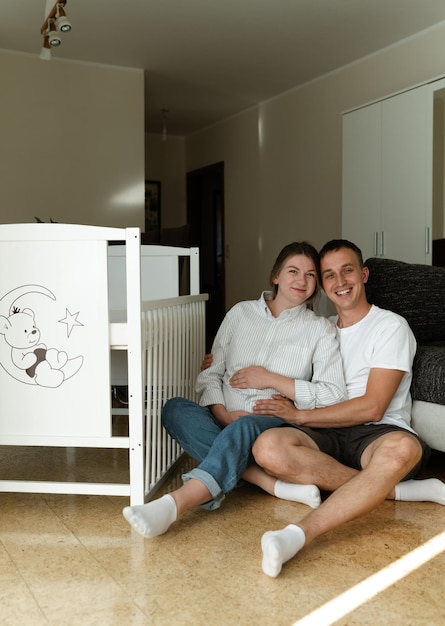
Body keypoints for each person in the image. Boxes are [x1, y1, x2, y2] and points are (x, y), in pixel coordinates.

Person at [122, 241, 348, 538]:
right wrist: (224, 414)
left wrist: (271, 379)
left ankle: (175, 504)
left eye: (310, 276)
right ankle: (265, 481)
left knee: (248, 426)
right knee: (175, 408)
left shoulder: (320, 329)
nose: (301, 281)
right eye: (293, 271)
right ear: (276, 276)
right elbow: (211, 374)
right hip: (223, 415)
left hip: (270, 425)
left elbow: (334, 393)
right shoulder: (240, 314)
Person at [253, 239, 445, 578]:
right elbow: (270, 356)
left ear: (364, 274)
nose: (340, 282)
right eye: (329, 275)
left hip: (378, 431)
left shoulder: (390, 326)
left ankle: (297, 535)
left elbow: (373, 407)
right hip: (325, 433)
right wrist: (220, 364)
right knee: (267, 448)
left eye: (347, 271)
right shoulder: (318, 328)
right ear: (323, 286)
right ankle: (397, 490)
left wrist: (299, 416)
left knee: (402, 450)